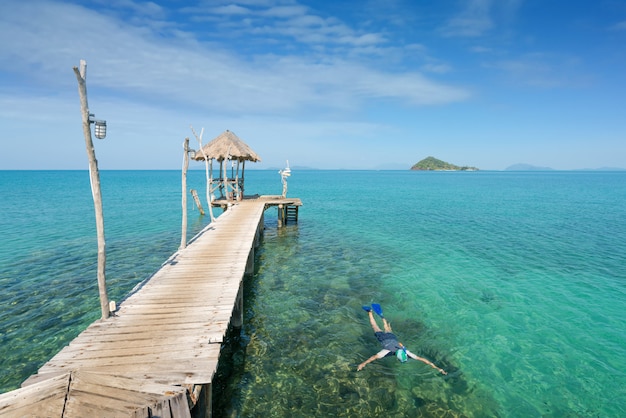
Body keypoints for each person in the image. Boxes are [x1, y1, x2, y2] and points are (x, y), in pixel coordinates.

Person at [357, 304, 447, 374]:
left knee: (388, 328)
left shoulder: (405, 351)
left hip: (392, 337)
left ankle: (382, 317)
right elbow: (373, 357)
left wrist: (438, 368)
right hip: (383, 338)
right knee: (375, 326)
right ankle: (370, 312)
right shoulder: (385, 352)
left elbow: (422, 359)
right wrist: (363, 364)